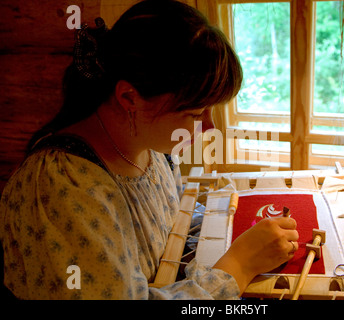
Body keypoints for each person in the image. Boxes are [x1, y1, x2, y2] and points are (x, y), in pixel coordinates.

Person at [0, 0, 299, 299]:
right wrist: (239, 265)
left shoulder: (149, 148)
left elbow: (172, 226)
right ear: (130, 97)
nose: (209, 128)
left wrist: (237, 232)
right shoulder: (63, 190)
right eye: (196, 114)